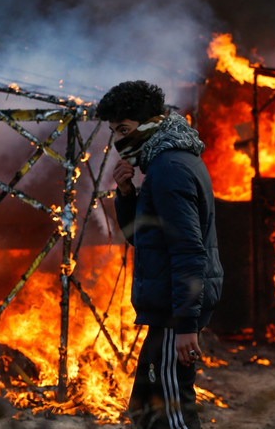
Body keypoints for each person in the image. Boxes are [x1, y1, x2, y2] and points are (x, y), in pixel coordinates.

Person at [96, 80, 223, 429]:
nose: (118, 140)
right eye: (114, 131)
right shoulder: (166, 163)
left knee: (172, 415)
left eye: (124, 129)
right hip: (168, 312)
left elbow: (188, 249)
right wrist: (126, 194)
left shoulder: (169, 169)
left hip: (173, 315)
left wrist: (185, 325)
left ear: (150, 123)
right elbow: (144, 238)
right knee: (146, 411)